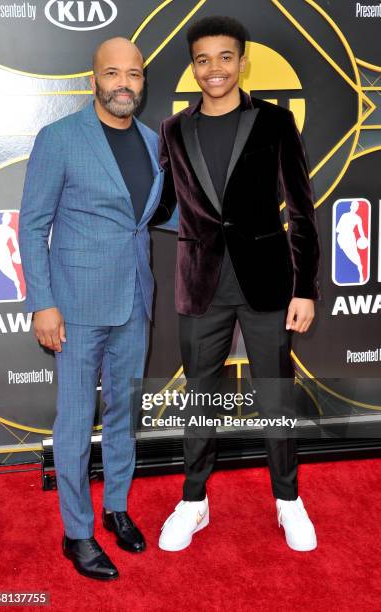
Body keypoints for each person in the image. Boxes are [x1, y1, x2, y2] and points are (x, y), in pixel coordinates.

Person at [151, 16, 320, 553]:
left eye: (225, 57)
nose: (214, 69)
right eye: (203, 60)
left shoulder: (274, 122)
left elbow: (301, 207)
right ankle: (194, 501)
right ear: (193, 66)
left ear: (242, 60)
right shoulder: (174, 129)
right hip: (200, 284)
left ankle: (288, 500)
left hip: (268, 282)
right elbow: (163, 204)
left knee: (275, 393)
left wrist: (306, 288)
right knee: (198, 395)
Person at [19, 37, 164, 580]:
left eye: (134, 74)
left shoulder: (153, 142)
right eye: (113, 73)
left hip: (134, 299)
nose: (123, 83)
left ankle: (117, 507)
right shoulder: (59, 138)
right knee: (77, 422)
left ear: (142, 81)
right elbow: (32, 226)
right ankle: (77, 533)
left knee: (125, 415)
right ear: (94, 79)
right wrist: (43, 304)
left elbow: (154, 215)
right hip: (75, 306)